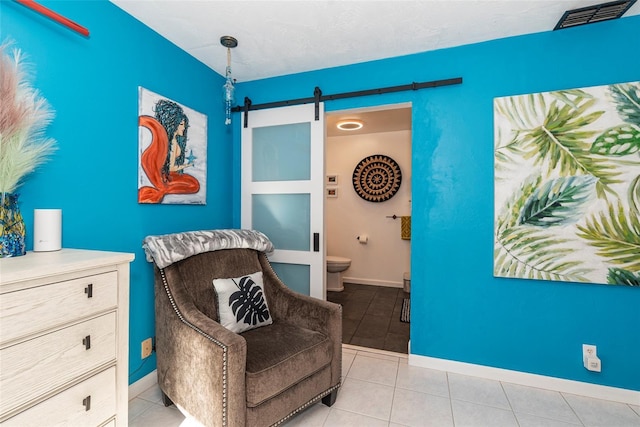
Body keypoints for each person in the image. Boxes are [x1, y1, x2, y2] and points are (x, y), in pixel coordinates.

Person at [138, 99, 199, 203]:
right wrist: (186, 166)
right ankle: (163, 189)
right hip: (168, 176)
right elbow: (172, 167)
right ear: (173, 125)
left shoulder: (174, 141)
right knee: (193, 185)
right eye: (181, 124)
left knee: (194, 184)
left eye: (184, 124)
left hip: (171, 176)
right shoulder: (172, 143)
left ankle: (164, 189)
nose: (184, 127)